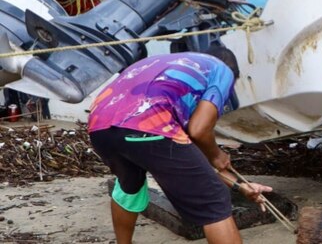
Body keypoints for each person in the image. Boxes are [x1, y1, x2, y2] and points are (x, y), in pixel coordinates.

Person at [87, 47, 271, 244]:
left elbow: (192, 157)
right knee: (214, 201)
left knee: (129, 187)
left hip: (99, 125)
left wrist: (240, 185)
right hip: (147, 124)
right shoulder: (221, 70)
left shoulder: (169, 65)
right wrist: (217, 155)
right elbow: (199, 130)